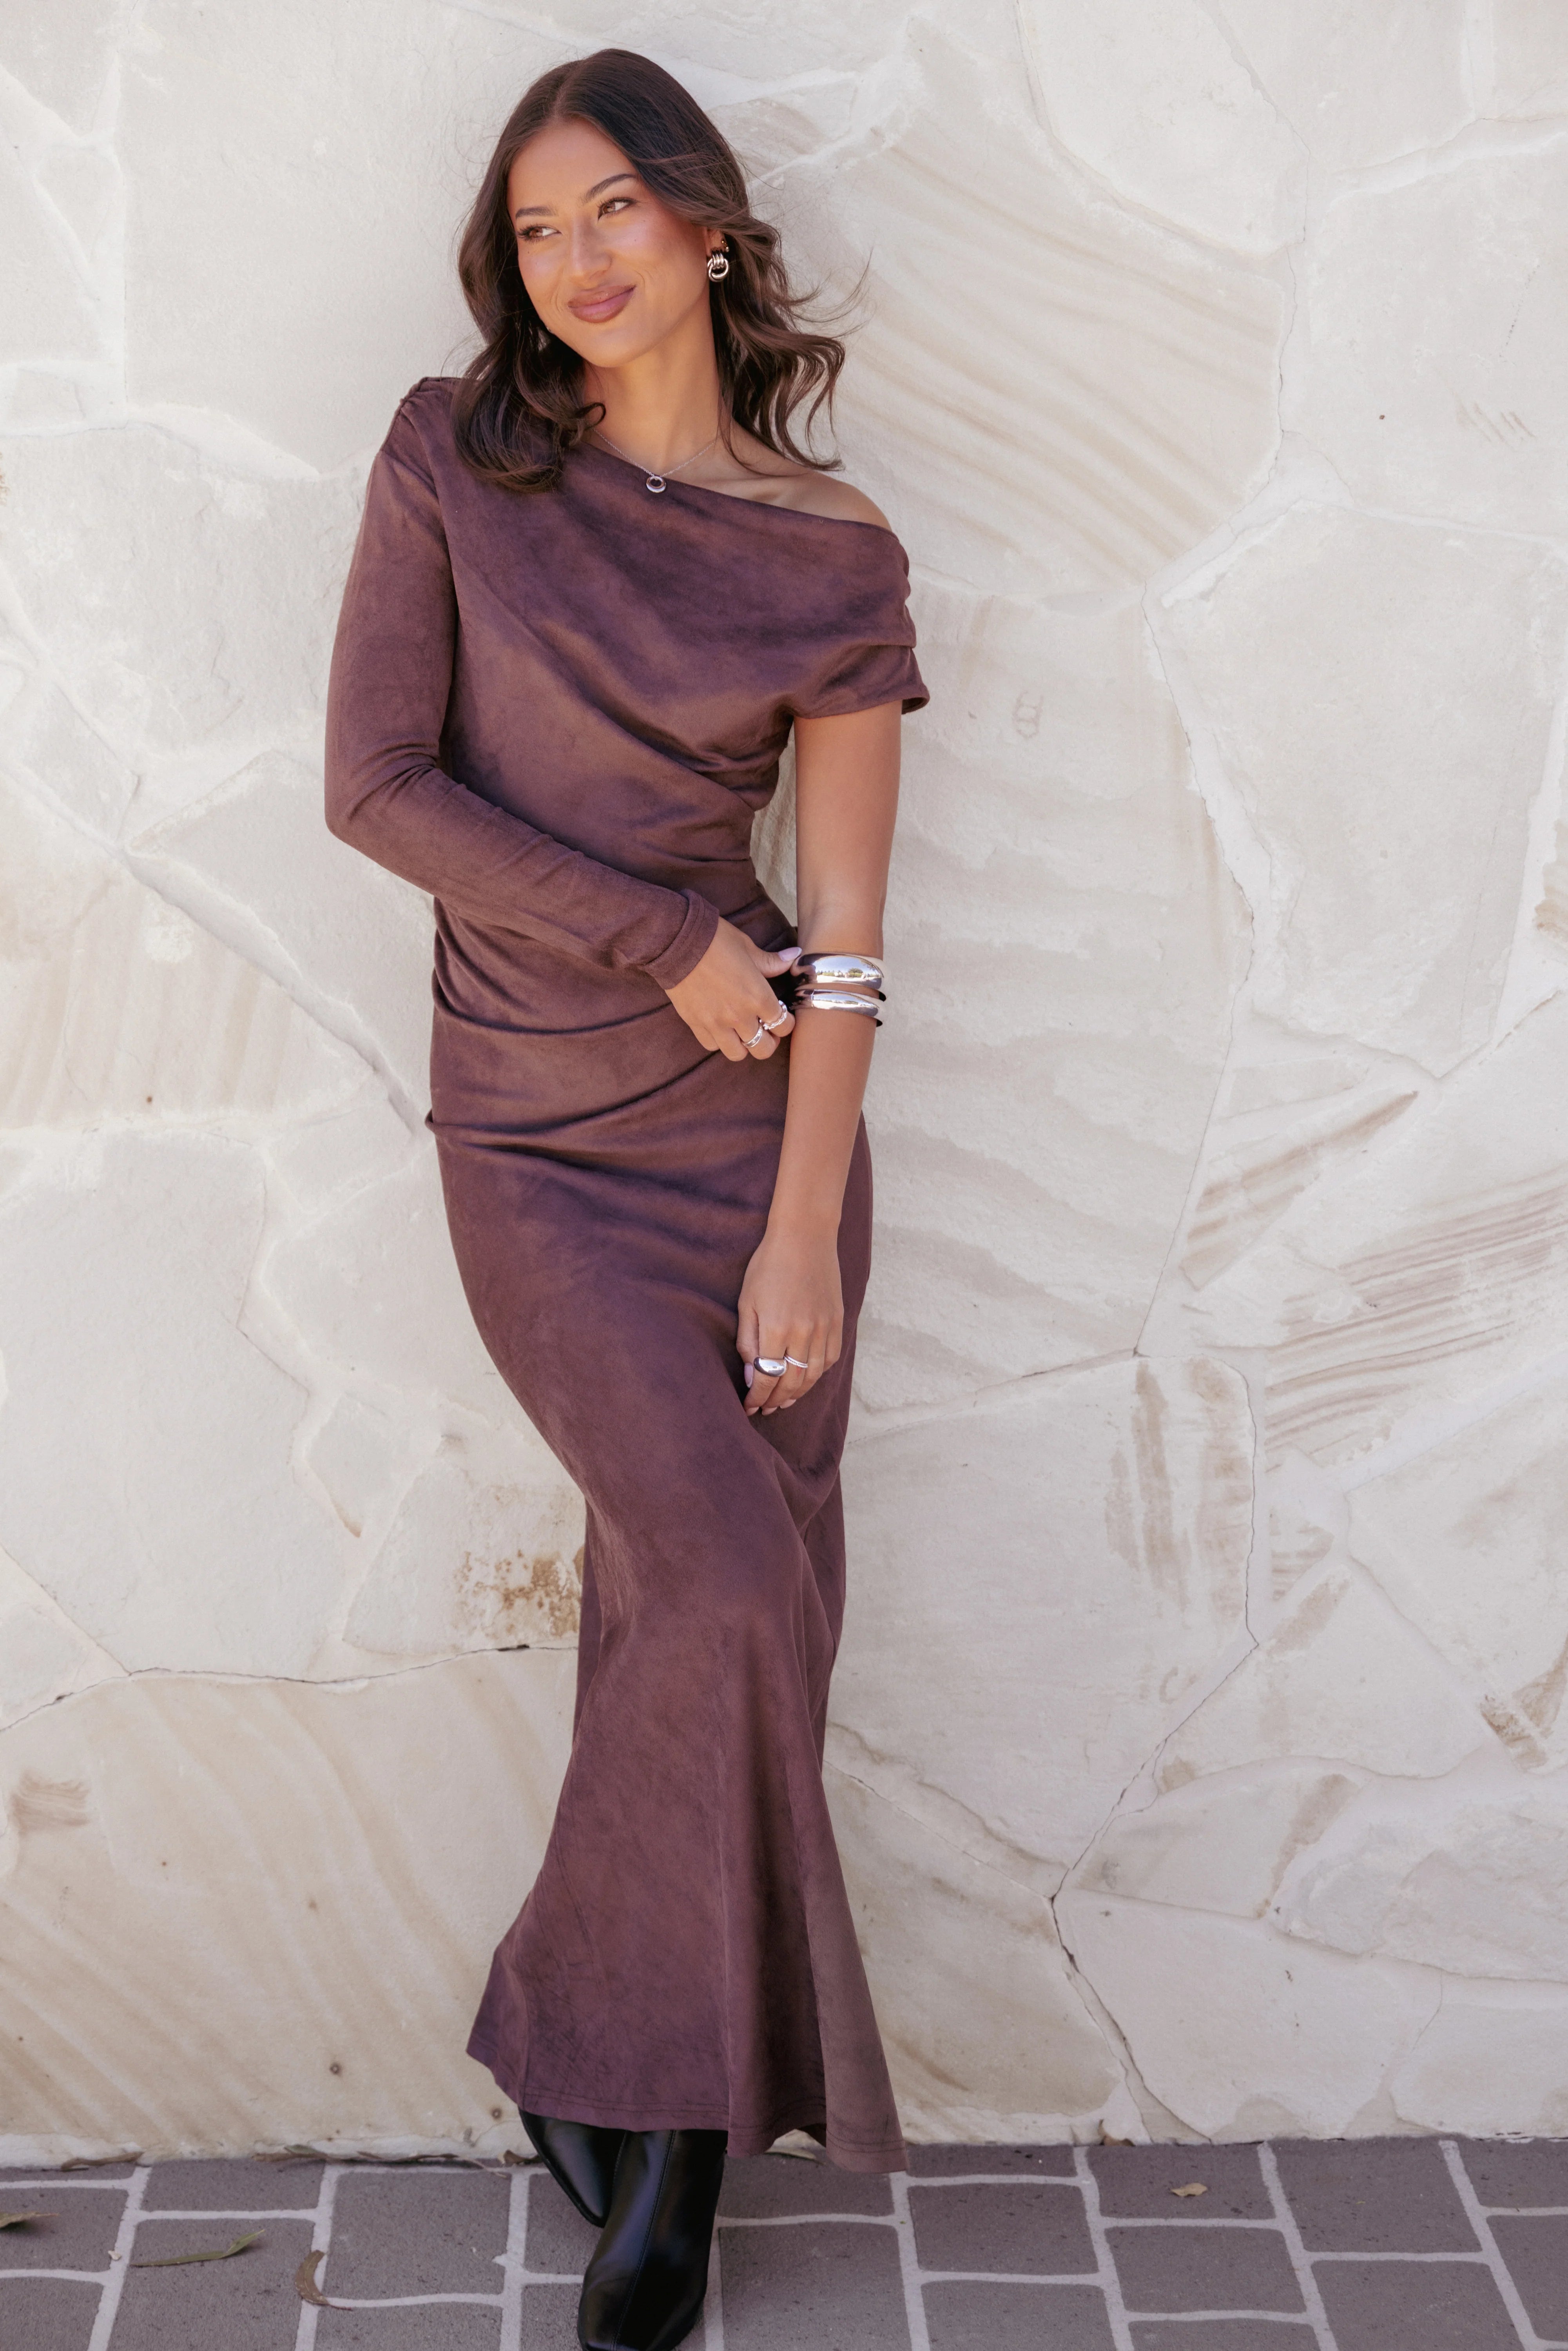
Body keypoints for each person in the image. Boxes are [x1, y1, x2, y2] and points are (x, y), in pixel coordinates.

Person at [325, 46, 926, 2351]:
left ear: (705, 226)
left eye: (611, 212)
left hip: (758, 1146)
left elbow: (846, 936)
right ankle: (633, 2097)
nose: (573, 260)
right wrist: (663, 934)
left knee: (723, 1614)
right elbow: (375, 783)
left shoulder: (831, 552)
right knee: (726, 1584)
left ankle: (628, 2100)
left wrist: (800, 1228)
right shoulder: (453, 459)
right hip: (537, 1132)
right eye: (535, 227)